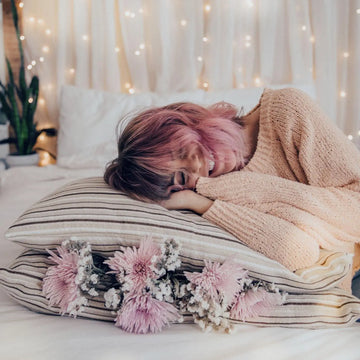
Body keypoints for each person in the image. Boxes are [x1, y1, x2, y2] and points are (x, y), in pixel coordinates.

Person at [104, 87, 360, 292]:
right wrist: (203, 204)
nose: (197, 165)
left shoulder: (287, 110)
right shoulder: (205, 195)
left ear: (189, 121)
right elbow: (300, 252)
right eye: (183, 175)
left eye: (184, 150)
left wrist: (228, 187)